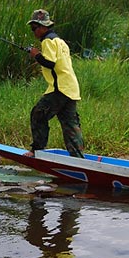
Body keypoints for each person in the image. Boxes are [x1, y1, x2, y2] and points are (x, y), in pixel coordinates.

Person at [23, 9, 85, 158]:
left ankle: (37, 151)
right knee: (70, 124)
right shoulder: (60, 41)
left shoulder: (47, 41)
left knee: (38, 114)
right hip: (71, 88)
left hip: (60, 89)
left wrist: (36, 54)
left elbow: (50, 63)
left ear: (43, 27)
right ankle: (78, 158)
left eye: (34, 28)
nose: (33, 32)